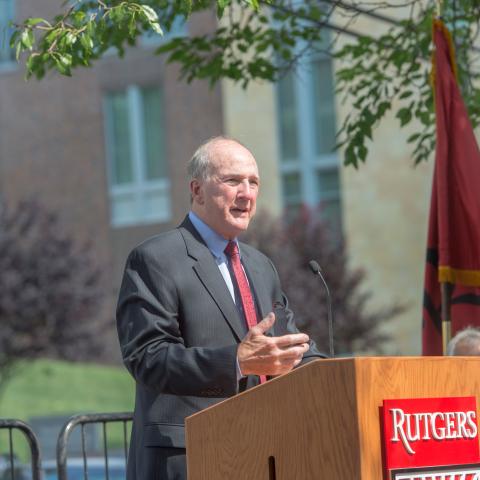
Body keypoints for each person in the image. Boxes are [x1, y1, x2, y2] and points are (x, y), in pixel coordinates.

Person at [116, 136, 325, 480]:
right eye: (232, 181)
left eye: (253, 182)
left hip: (261, 453)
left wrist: (335, 374)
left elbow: (293, 345)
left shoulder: (260, 266)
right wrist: (236, 362)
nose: (247, 193)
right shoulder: (154, 259)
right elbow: (147, 357)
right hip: (186, 458)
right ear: (197, 191)